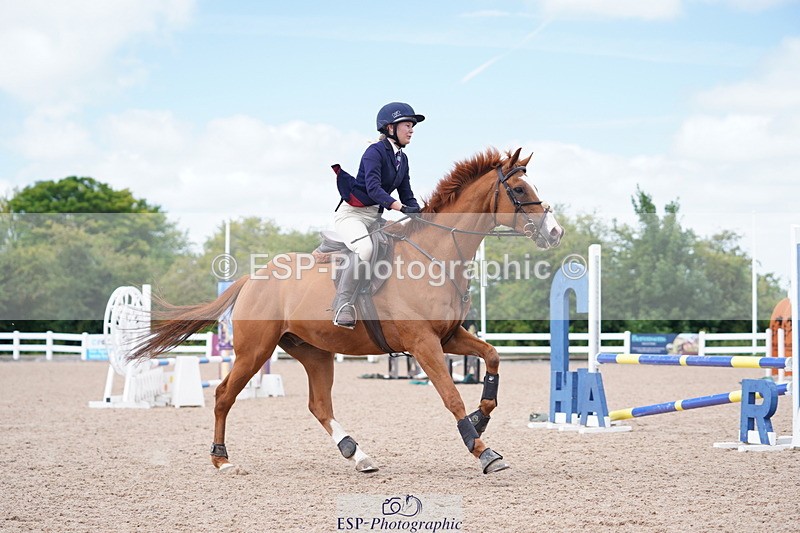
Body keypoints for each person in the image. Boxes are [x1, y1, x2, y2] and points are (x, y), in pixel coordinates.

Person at [331, 102, 424, 328]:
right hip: (352, 215)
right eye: (407, 125)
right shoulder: (374, 152)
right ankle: (343, 304)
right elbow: (373, 189)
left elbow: (407, 194)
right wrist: (401, 208)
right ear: (390, 128)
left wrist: (425, 217)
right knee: (366, 248)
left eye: (412, 125)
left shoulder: (402, 159)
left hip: (374, 217)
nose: (411, 129)